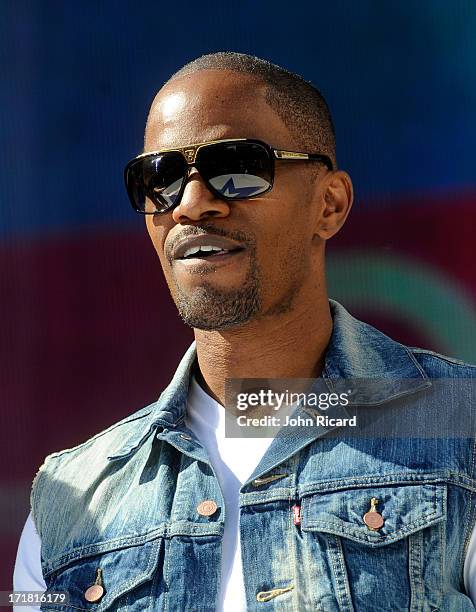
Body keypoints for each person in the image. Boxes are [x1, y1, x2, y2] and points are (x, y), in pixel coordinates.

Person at [14, 52, 476, 611]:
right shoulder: (70, 502)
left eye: (236, 169)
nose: (190, 203)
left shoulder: (460, 423)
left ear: (329, 205)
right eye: (158, 178)